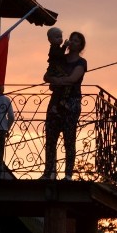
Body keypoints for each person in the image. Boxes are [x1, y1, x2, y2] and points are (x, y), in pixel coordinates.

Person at [41, 31, 87, 180]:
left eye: (76, 41)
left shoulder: (81, 62)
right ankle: (48, 173)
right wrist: (56, 79)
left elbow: (73, 79)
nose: (73, 42)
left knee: (69, 138)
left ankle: (68, 175)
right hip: (55, 101)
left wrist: (57, 81)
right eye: (72, 39)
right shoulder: (60, 58)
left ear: (80, 45)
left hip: (72, 102)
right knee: (51, 137)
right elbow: (46, 76)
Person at [45, 27, 69, 91]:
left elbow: (60, 53)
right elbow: (59, 55)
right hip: (55, 67)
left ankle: (54, 85)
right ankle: (54, 85)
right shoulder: (53, 48)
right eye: (57, 37)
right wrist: (65, 46)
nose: (60, 39)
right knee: (59, 75)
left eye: (60, 37)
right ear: (50, 39)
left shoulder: (56, 47)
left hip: (56, 66)